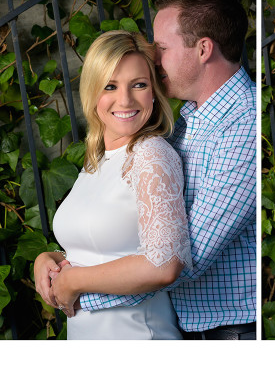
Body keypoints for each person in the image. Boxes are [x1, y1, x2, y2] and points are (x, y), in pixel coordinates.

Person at [35, 0, 256, 340]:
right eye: (110, 85)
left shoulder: (244, 124)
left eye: (161, 48)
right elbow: (130, 235)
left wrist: (72, 284)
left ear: (203, 49)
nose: (154, 59)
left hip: (228, 331)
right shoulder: (188, 123)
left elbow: (176, 259)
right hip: (184, 325)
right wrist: (56, 260)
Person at [36, 29, 191, 339]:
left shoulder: (151, 155)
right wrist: (48, 260)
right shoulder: (99, 160)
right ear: (93, 92)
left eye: (139, 85)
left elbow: (164, 265)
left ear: (153, 91)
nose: (125, 100)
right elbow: (103, 248)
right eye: (110, 86)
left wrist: (75, 280)